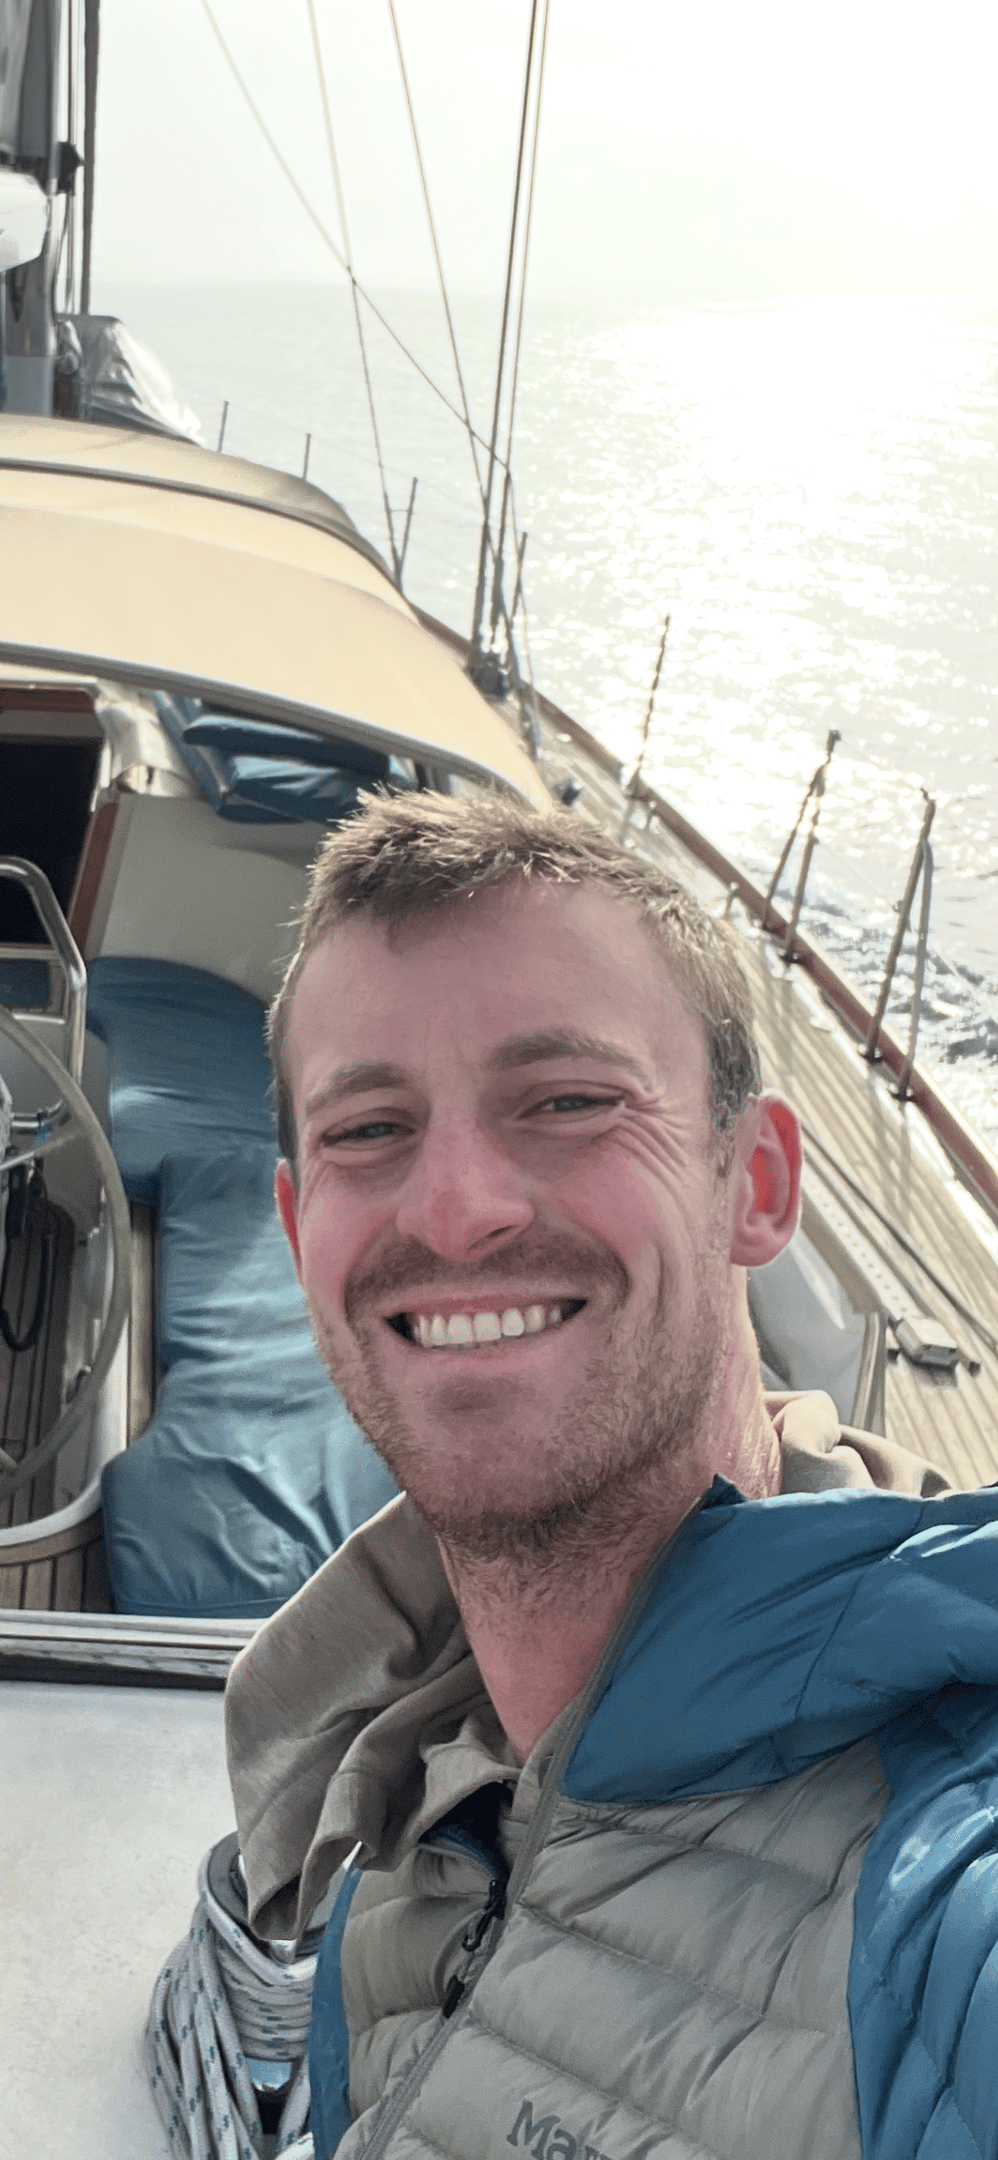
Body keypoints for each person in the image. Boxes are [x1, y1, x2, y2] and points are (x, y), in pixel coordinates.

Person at [226, 794, 998, 2160]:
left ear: (754, 1183)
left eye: (570, 1103)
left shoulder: (947, 1893)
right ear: (299, 1232)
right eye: (367, 1129)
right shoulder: (388, 1781)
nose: (457, 1208)